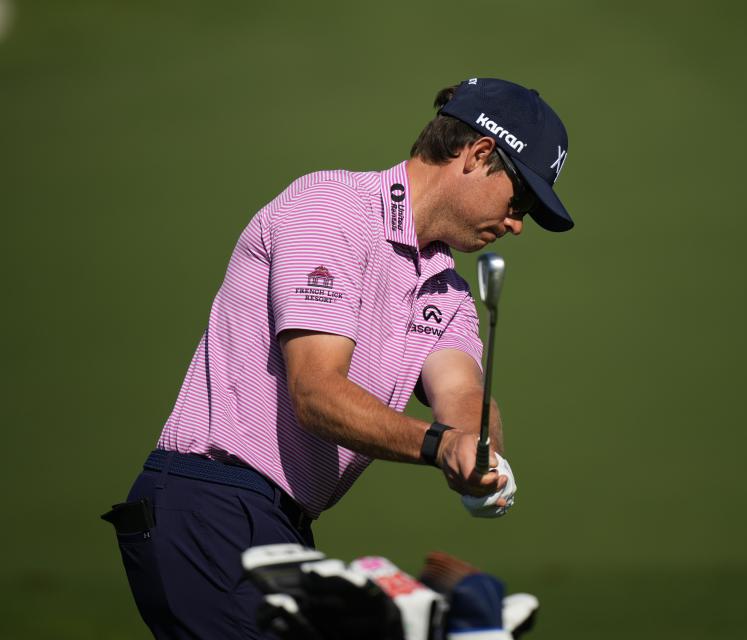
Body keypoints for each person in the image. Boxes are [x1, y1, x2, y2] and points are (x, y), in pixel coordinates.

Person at [101, 77, 573, 638]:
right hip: (206, 503)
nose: (517, 223)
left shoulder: (448, 292)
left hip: (276, 525)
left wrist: (478, 451)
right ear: (478, 154)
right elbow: (317, 394)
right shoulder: (332, 209)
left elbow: (462, 393)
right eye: (519, 199)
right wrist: (440, 446)